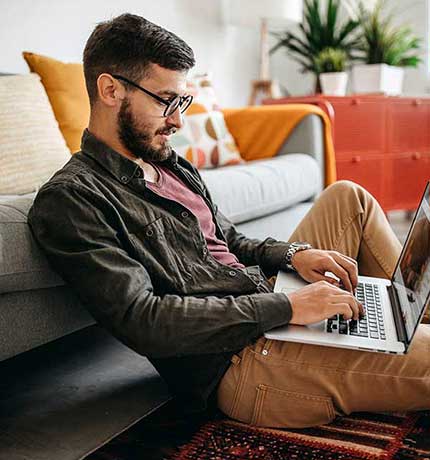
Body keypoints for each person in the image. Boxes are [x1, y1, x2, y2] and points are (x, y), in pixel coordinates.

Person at [28, 14, 430, 429]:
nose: (179, 120)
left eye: (182, 102)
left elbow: (226, 239)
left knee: (348, 196)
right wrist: (289, 306)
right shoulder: (73, 198)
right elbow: (144, 320)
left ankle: (405, 311)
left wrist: (294, 255)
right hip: (243, 361)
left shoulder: (168, 163)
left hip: (264, 300)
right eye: (167, 101)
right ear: (110, 90)